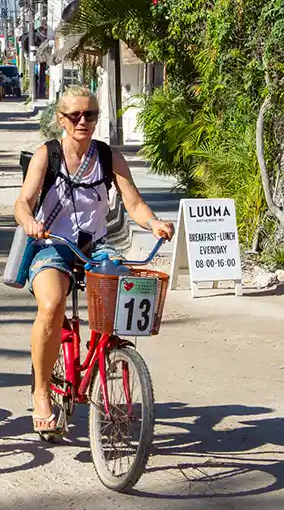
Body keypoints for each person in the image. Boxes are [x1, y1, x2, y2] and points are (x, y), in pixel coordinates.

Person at [13, 86, 174, 434]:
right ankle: (42, 392)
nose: (82, 121)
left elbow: (133, 203)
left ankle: (106, 355)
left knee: (124, 294)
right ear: (61, 119)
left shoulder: (108, 156)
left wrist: (154, 222)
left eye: (90, 115)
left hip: (95, 246)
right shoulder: (48, 154)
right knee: (52, 305)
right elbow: (23, 202)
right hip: (52, 244)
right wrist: (30, 222)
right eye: (75, 115)